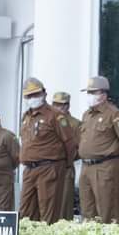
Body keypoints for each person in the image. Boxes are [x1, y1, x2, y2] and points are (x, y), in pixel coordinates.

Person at [78, 76, 119, 224]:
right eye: (88, 93)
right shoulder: (87, 114)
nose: (89, 96)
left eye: (93, 92)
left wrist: (118, 164)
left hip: (105, 167)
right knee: (87, 211)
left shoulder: (114, 114)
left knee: (108, 211)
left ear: (103, 94)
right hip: (86, 167)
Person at [19, 78, 77, 223]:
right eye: (29, 96)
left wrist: (64, 166)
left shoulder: (55, 115)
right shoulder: (26, 117)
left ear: (44, 93)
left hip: (49, 168)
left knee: (48, 212)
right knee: (26, 212)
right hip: (29, 169)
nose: (33, 98)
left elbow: (70, 143)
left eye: (36, 94)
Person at [52, 92, 81, 220]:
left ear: (68, 106)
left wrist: (65, 157)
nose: (59, 108)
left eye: (62, 105)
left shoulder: (75, 124)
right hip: (47, 167)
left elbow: (79, 148)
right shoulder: (48, 120)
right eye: (56, 104)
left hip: (65, 167)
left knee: (64, 204)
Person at [0, 107, 20, 211]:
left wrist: (3, 169)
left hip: (2, 182)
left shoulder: (7, 136)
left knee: (2, 211)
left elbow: (16, 158)